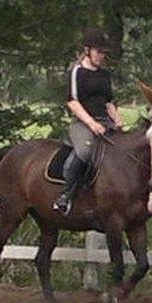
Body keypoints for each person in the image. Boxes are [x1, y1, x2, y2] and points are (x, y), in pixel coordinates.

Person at [53, 27, 123, 215]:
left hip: (105, 122)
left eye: (104, 53)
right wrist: (91, 124)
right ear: (87, 51)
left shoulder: (104, 74)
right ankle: (66, 196)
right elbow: (72, 101)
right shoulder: (77, 72)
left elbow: (108, 101)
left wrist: (116, 118)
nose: (102, 56)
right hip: (82, 123)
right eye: (99, 52)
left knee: (122, 151)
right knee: (85, 151)